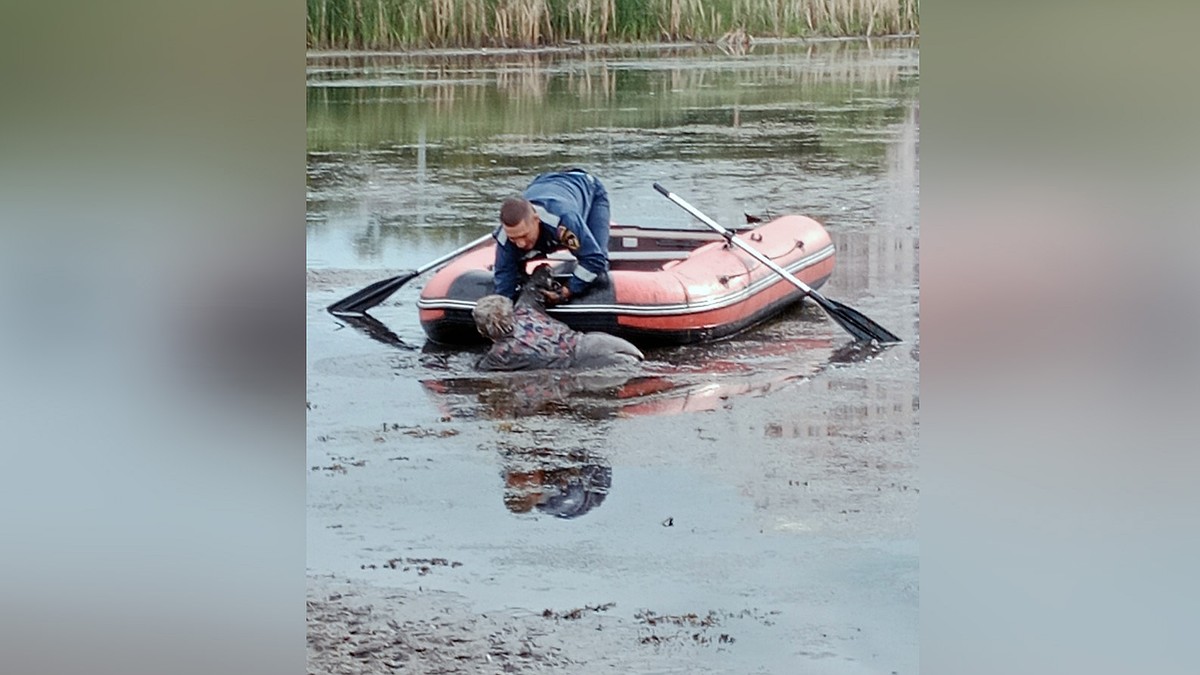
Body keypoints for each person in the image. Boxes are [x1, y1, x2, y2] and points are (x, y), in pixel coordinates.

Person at [472, 267, 643, 372]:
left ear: (481, 331)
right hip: (596, 342)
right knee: (643, 366)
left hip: (587, 363)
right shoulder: (526, 310)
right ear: (508, 309)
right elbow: (541, 275)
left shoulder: (498, 356)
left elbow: (477, 371)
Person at [493, 169, 610, 305]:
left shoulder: (564, 221)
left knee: (599, 272)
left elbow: (594, 260)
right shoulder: (504, 238)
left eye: (524, 235)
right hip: (543, 182)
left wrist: (566, 291)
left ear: (536, 219)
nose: (520, 244)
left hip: (587, 187)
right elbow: (504, 280)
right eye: (514, 238)